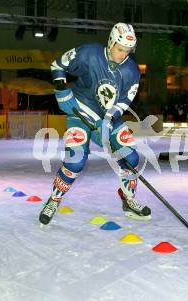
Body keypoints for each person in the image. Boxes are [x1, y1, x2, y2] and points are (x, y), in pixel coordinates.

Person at [39, 23, 151, 225]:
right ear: (110, 42)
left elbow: (125, 101)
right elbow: (57, 65)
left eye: (127, 51)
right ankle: (54, 200)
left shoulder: (132, 71)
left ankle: (128, 199)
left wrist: (108, 119)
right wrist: (60, 89)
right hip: (79, 111)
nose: (122, 55)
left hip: (109, 117)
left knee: (131, 158)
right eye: (119, 49)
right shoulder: (89, 53)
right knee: (76, 161)